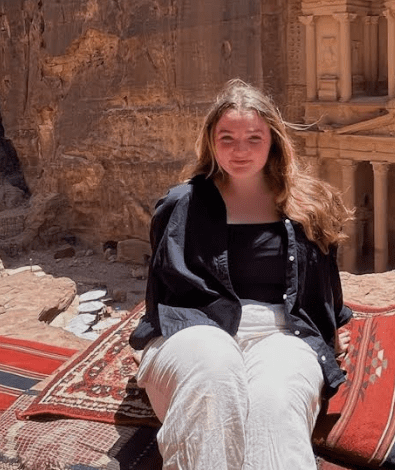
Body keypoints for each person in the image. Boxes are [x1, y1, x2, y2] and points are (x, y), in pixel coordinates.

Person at [128, 79, 352, 469]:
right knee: (213, 368)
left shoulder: (309, 204)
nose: (240, 150)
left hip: (282, 334)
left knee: (276, 404)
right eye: (227, 138)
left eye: (253, 138)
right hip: (196, 332)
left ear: (274, 140)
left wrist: (331, 333)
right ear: (211, 142)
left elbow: (325, 287)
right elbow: (161, 293)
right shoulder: (181, 204)